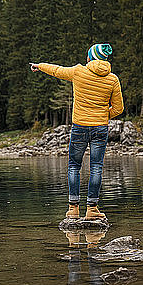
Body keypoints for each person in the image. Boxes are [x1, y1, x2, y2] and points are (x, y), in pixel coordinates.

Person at [30, 43, 124, 220]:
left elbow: (57, 70)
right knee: (96, 167)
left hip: (80, 126)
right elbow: (118, 108)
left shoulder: (79, 71)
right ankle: (92, 209)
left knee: (74, 166)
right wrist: (103, 115)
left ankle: (73, 209)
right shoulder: (113, 79)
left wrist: (39, 66)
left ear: (91, 57)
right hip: (100, 128)